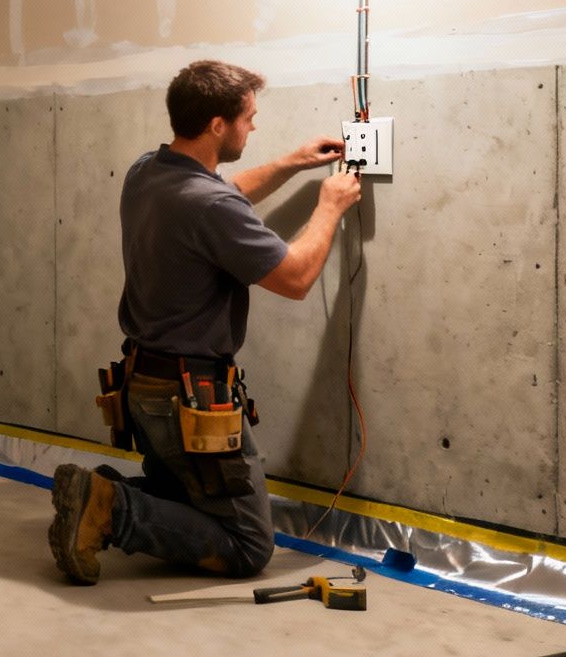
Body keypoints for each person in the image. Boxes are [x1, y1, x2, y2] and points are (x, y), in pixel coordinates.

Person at [47, 60, 363, 584]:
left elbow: (226, 192)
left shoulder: (148, 170)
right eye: (248, 118)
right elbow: (297, 278)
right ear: (218, 125)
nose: (253, 127)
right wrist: (329, 206)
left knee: (186, 494)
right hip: (188, 399)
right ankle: (112, 507)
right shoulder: (210, 205)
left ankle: (96, 492)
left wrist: (291, 163)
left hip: (142, 387)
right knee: (248, 545)